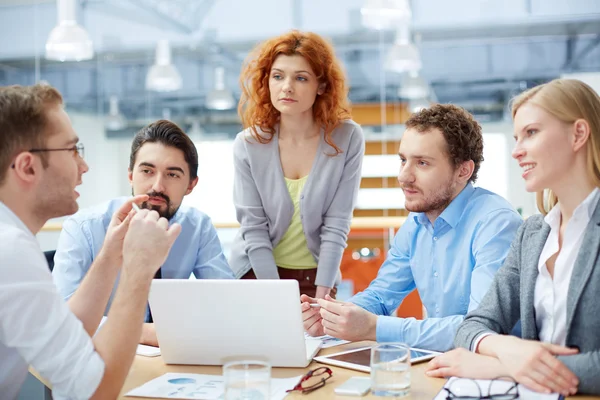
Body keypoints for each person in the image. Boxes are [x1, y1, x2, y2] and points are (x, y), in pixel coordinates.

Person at [0, 84, 181, 399]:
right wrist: (139, 269)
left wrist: (112, 254)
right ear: (27, 167)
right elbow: (95, 391)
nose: (84, 167)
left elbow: (67, 331)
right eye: (72, 150)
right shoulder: (10, 251)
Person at [426, 79, 600, 396]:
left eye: (531, 133)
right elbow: (474, 324)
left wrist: (503, 366)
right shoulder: (533, 233)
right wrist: (507, 348)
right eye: (516, 137)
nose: (517, 151)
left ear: (578, 134)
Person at [301, 104, 523, 351]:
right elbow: (380, 295)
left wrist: (374, 328)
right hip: (442, 363)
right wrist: (334, 318)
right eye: (403, 160)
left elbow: (479, 329)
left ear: (463, 171)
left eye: (422, 163)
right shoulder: (416, 224)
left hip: (494, 370)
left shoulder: (496, 224)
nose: (404, 176)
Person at [52, 119, 233, 347]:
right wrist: (149, 333)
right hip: (98, 353)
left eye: (173, 174)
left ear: (191, 185)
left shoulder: (198, 227)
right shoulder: (84, 227)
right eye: (147, 171)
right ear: (130, 175)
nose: (157, 186)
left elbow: (226, 302)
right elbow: (62, 320)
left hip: (167, 360)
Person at [229, 30, 365, 299]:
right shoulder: (248, 144)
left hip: (318, 279)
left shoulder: (347, 137)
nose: (287, 87)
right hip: (257, 274)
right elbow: (253, 229)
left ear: (322, 86)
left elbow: (337, 222)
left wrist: (323, 293)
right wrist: (277, 296)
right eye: (278, 76)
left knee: (320, 341)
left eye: (300, 78)